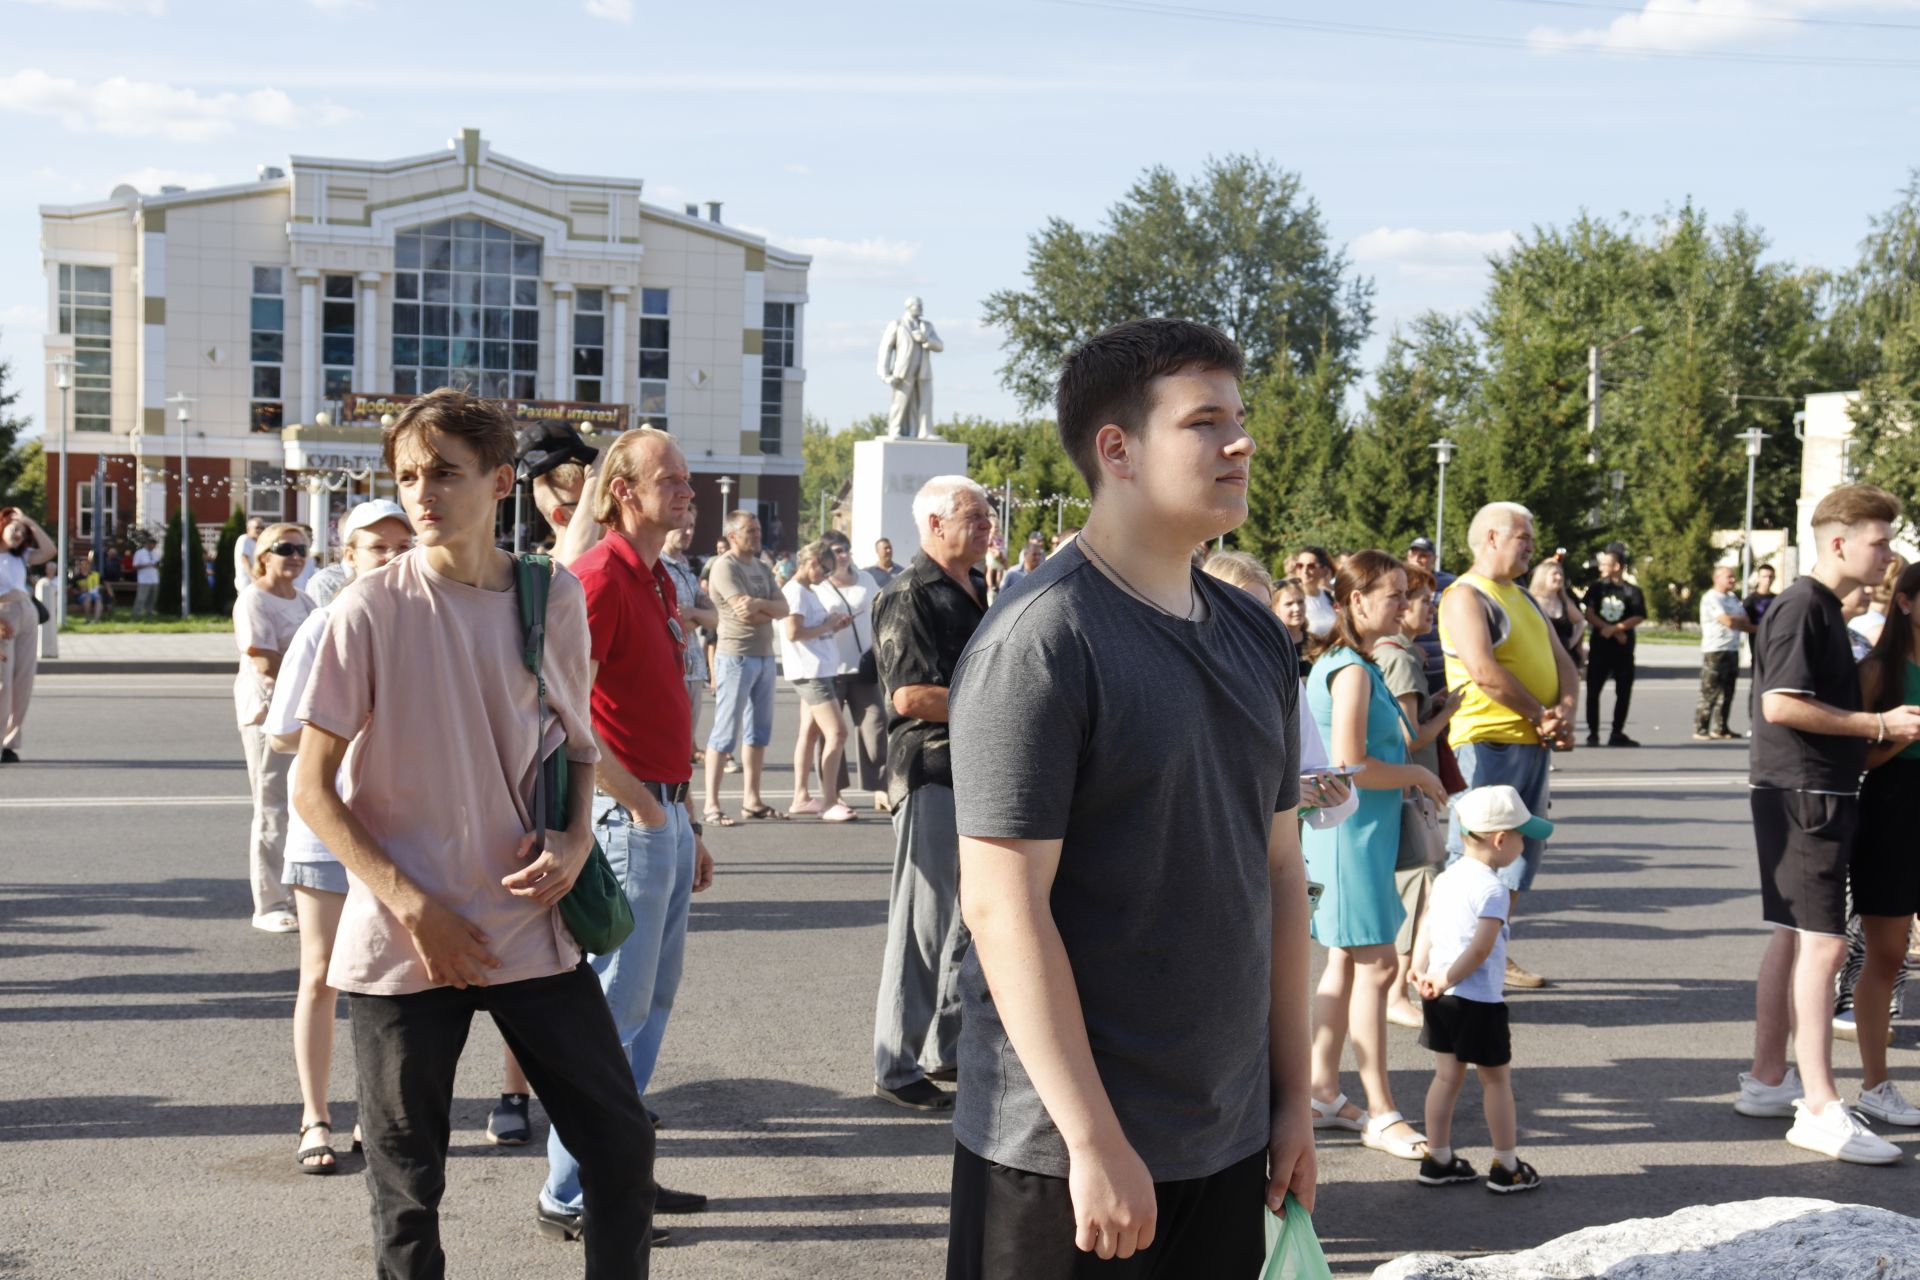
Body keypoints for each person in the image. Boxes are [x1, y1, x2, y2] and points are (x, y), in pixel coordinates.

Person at [945, 320, 1314, 1277]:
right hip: (1063, 1157)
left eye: (1239, 418)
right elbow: (1001, 904)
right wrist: (1093, 1140)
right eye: (1205, 422)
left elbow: (1279, 874)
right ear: (1118, 449)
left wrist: (1294, 1098)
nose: (1241, 443)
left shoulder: (1257, 636)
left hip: (1225, 1140)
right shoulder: (1041, 639)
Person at [292, 387, 655, 1276]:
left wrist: (575, 840)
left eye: (443, 473)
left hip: (530, 926)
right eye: (408, 475)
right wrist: (415, 907)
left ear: (499, 482)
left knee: (620, 1147)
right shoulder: (366, 610)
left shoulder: (550, 597)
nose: (421, 493)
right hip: (405, 943)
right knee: (407, 1192)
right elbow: (311, 789)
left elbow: (577, 743)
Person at [541, 425, 716, 1238]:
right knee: (616, 1011)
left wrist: (685, 815)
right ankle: (574, 1193)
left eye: (686, 478)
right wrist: (646, 806)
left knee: (650, 1007)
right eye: (671, 479)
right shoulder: (601, 578)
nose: (688, 489)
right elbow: (560, 711)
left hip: (665, 813)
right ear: (624, 491)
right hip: (629, 819)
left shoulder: (656, 579)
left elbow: (660, 705)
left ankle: (619, 1175)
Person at [1736, 483, 1920, 1166]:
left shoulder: (1812, 607)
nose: (1889, 553)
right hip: (1804, 792)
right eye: (1879, 540)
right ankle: (1818, 1107)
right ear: (1838, 541)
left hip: (1807, 791)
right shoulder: (1803, 606)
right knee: (1825, 950)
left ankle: (1765, 1080)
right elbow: (1782, 705)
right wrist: (1878, 723)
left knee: (1796, 940)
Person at [264, 500, 415, 1171]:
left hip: (400, 827)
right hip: (325, 826)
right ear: (347, 557)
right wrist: (343, 723)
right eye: (373, 547)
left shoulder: (423, 627)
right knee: (322, 976)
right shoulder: (323, 626)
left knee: (390, 981)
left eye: (399, 545)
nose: (389, 557)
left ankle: (374, 1117)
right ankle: (315, 1117)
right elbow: (281, 735)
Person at [1303, 550, 1448, 1162]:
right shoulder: (1353, 669)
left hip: (1351, 835)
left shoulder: (1348, 662)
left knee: (1345, 965)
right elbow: (1351, 764)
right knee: (1377, 968)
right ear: (1356, 602)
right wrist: (1416, 771)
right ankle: (1381, 1111)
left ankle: (1322, 1091)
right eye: (1392, 595)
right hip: (1350, 837)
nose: (1404, 605)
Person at [870, 476, 991, 1114]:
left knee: (969, 921)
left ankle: (946, 1047)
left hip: (977, 772)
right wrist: (1002, 704)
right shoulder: (908, 592)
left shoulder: (976, 588)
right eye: (974, 516)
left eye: (988, 514)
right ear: (935, 523)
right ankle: (895, 1062)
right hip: (930, 770)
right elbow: (909, 695)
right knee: (923, 922)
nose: (987, 524)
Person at [1439, 502, 1579, 990]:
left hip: (1530, 742)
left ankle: (1492, 948)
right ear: (1493, 538)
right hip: (1488, 743)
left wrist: (1565, 712)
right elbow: (1483, 671)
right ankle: (1448, 958)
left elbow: (1564, 661)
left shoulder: (1524, 597)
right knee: (1473, 855)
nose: (1532, 545)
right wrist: (1543, 716)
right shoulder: (1465, 595)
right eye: (1524, 535)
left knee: (1518, 855)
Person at [1411, 784, 1549, 1195]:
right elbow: (1481, 948)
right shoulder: (1493, 889)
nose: (1524, 844)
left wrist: (1422, 971)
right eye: (1522, 837)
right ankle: (1507, 1166)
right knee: (1495, 1081)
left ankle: (1437, 1158)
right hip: (1478, 1000)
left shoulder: (1449, 877)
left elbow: (1427, 924)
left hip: (1440, 997)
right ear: (1501, 839)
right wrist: (1449, 977)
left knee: (1445, 1077)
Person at [1846, 560, 1920, 1130]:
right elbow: (1855, 761)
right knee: (1888, 955)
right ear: (1906, 603)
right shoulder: (1878, 670)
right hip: (1893, 811)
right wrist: (1899, 735)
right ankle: (1875, 1084)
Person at [1375, 565, 1463, 1030]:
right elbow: (1409, 738)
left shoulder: (1385, 652)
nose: (1431, 608)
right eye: (1425, 600)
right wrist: (1448, 712)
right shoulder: (1404, 658)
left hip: (1399, 789)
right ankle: (1396, 992)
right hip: (1411, 789)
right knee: (1420, 884)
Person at [234, 522, 316, 934]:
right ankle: (268, 903)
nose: (296, 556)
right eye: (286, 548)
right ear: (264, 555)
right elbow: (265, 663)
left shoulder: (303, 600)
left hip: (302, 714)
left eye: (303, 548)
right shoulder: (254, 600)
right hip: (268, 714)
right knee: (272, 809)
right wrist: (312, 685)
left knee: (305, 805)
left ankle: (301, 892)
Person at [702, 510, 790, 826]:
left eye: (757, 530)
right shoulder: (725, 567)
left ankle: (752, 800)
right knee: (725, 732)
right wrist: (765, 607)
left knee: (758, 733)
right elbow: (743, 614)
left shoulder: (763, 567)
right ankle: (712, 803)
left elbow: (785, 608)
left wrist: (760, 605)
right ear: (732, 536)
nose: (756, 535)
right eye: (749, 531)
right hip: (735, 656)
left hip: (765, 657)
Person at [780, 540, 859, 823]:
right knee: (837, 733)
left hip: (816, 669)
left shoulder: (806, 591)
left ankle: (801, 797)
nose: (825, 577)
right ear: (812, 562)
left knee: (810, 733)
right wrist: (828, 625)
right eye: (824, 571)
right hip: (810, 671)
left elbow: (808, 629)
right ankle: (829, 801)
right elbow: (793, 632)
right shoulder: (797, 592)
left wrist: (832, 625)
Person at [819, 528, 889, 805]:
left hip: (864, 667)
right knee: (831, 734)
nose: (844, 555)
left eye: (846, 549)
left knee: (876, 724)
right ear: (825, 555)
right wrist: (830, 625)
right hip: (830, 669)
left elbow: (881, 612)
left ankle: (881, 788)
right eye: (837, 551)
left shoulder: (867, 579)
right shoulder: (819, 585)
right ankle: (833, 793)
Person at [661, 505, 719, 765]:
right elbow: (669, 617)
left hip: (694, 667)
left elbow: (714, 616)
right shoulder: (655, 565)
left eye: (691, 526)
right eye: (681, 525)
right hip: (670, 668)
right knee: (669, 748)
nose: (687, 531)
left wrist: (692, 613)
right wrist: (693, 616)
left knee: (684, 748)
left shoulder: (686, 568)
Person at [0, 508, 54, 764]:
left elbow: (49, 551)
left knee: (23, 682)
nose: (19, 534)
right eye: (14, 528)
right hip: (3, 617)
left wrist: (30, 521)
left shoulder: (21, 557)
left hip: (27, 615)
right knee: (2, 684)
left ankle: (9, 742)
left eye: (22, 532)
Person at [1582, 541, 1646, 747]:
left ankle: (1617, 732)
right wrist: (1607, 629)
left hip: (1623, 650)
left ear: (1617, 566)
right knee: (1593, 690)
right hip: (1600, 649)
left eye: (1606, 564)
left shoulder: (1632, 591)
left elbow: (1638, 615)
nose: (1602, 568)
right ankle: (1593, 732)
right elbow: (1589, 613)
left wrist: (1618, 628)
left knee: (1624, 690)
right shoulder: (1597, 588)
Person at [1695, 564, 1754, 741]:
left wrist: (1739, 621)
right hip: (1715, 649)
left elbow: (1745, 621)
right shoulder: (1711, 598)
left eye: (1733, 577)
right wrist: (1736, 620)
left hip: (1732, 648)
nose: (1732, 580)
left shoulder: (1732, 598)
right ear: (1717, 578)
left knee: (1727, 691)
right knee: (1710, 689)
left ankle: (1720, 727)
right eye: (1729, 577)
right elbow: (1727, 621)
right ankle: (1701, 727)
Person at [1527, 559, 1585, 673]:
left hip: (1566, 659)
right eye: (1554, 574)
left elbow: (1580, 622)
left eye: (1561, 574)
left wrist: (1572, 642)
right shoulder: (1531, 601)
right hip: (1541, 660)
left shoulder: (1564, 601)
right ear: (1542, 576)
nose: (1559, 577)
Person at [1288, 545, 1337, 639]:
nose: (1305, 571)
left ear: (1324, 570)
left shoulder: (1330, 597)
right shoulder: (1290, 600)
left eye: (1311, 566)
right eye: (1300, 566)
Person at [71, 551, 105, 622]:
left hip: (95, 594)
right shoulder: (76, 578)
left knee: (98, 600)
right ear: (79, 566)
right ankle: (88, 619)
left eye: (86, 564)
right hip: (83, 596)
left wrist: (99, 588)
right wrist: (81, 591)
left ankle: (96, 620)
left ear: (89, 565)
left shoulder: (96, 575)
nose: (84, 566)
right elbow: (73, 590)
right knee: (87, 598)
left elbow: (103, 586)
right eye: (82, 565)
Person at [132, 534, 161, 617]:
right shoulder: (139, 553)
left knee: (152, 598)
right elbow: (135, 566)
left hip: (154, 579)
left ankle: (149, 612)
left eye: (154, 544)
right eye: (152, 544)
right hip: (144, 580)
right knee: (141, 597)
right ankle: (137, 613)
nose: (153, 546)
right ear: (147, 544)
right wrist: (146, 565)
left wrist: (157, 565)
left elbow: (157, 564)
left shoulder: (155, 553)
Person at [235, 515, 264, 594]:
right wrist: (253, 578)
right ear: (248, 529)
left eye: (262, 528)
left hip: (255, 583)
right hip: (246, 582)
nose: (260, 530)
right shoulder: (244, 539)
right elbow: (244, 559)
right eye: (257, 528)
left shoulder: (257, 542)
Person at [1745, 563, 1779, 628]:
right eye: (1764, 576)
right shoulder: (1750, 600)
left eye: (1770, 576)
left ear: (1774, 578)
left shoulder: (1777, 599)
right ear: (1758, 578)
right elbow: (1746, 624)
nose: (1768, 579)